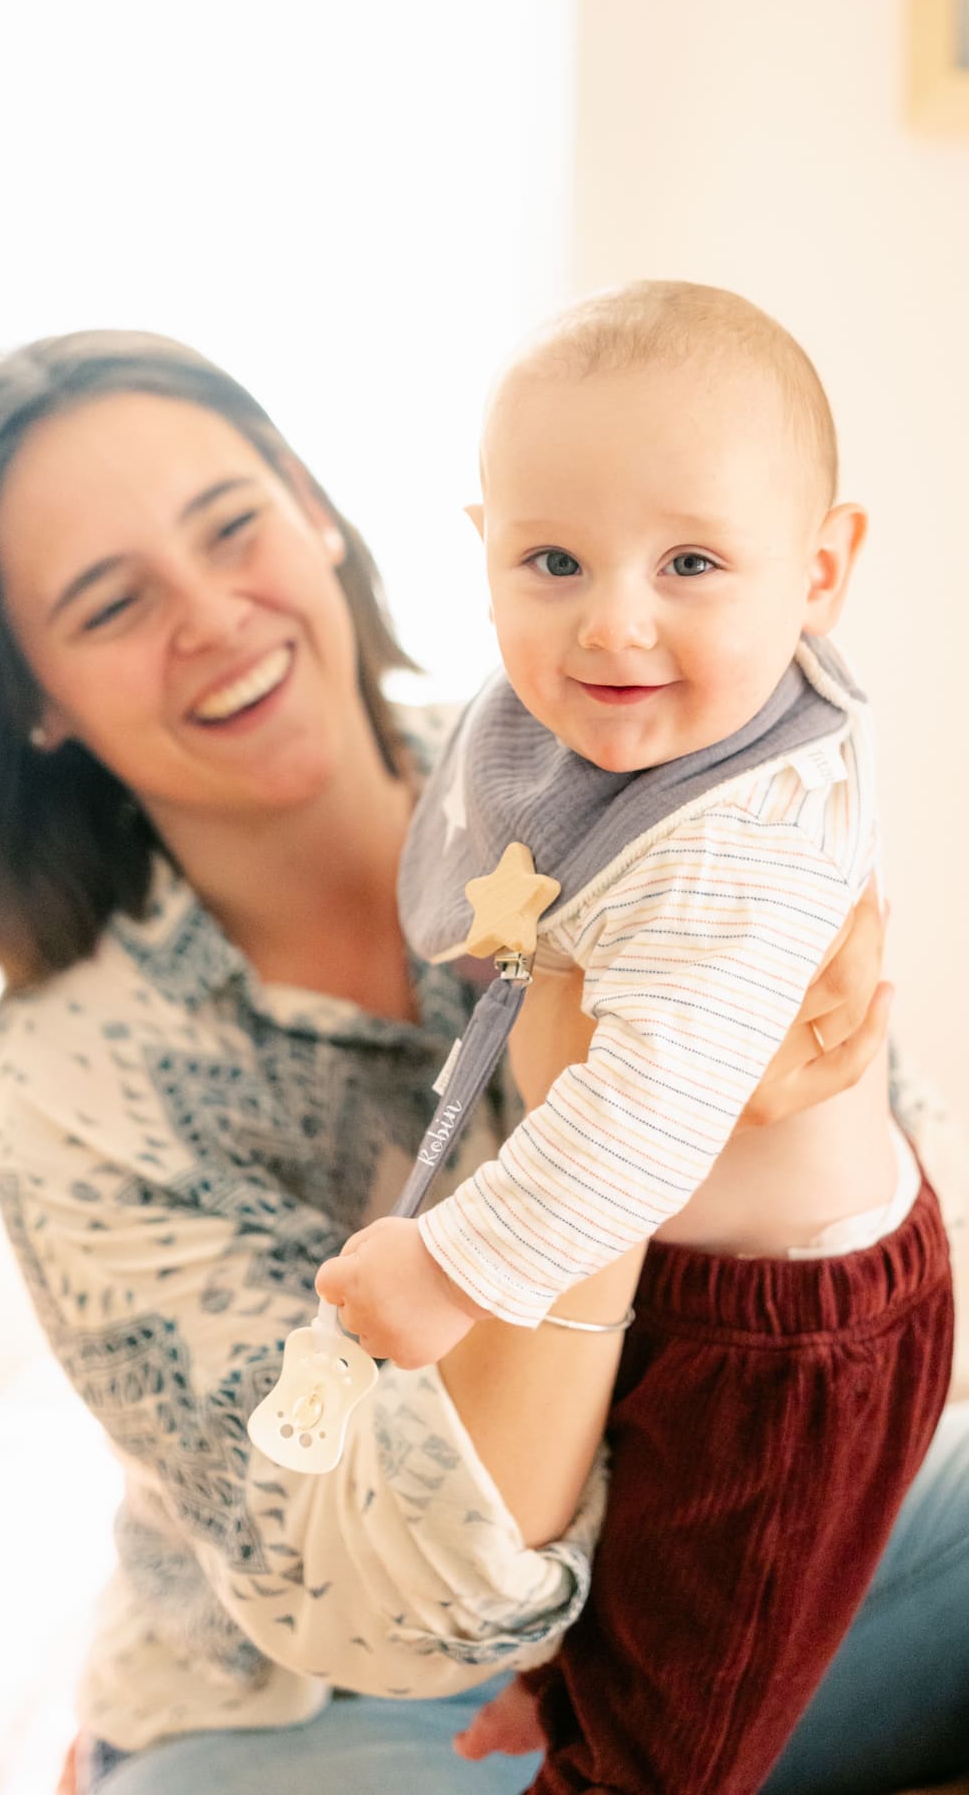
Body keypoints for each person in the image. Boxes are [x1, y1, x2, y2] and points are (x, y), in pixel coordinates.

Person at [0, 330, 969, 1795]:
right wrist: (617, 1132)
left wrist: (806, 1079)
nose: (212, 616)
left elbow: (872, 1219)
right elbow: (402, 1607)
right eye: (115, 602)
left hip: (748, 1520)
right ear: (31, 697)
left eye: (234, 527)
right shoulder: (74, 1078)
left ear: (316, 510)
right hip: (361, 1697)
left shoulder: (620, 763)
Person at [317, 283, 954, 1791]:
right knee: (640, 1574)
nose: (614, 618)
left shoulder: (739, 830)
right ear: (484, 548)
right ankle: (573, 1698)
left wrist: (455, 1260)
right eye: (552, 559)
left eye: (689, 562)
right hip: (683, 1287)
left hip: (786, 1347)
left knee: (687, 1724)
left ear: (819, 570)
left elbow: (647, 1112)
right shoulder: (615, 721)